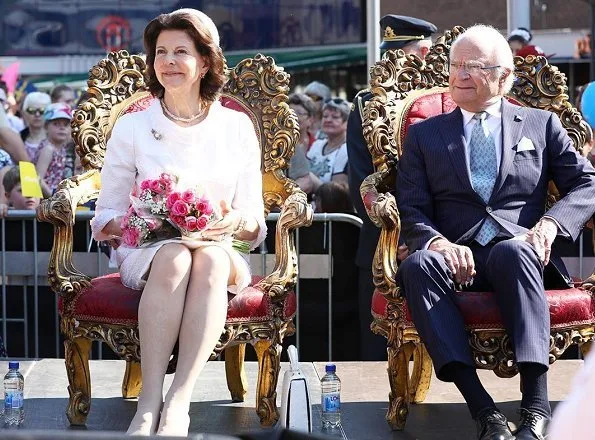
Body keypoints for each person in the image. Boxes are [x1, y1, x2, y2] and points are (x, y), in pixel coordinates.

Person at [395, 24, 595, 440]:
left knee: (514, 252)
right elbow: (412, 209)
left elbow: (587, 183)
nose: (459, 75)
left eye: (472, 66)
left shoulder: (541, 125)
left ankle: (536, 407)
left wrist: (550, 225)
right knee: (417, 265)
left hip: (518, 253)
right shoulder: (425, 135)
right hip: (454, 255)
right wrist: (437, 242)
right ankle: (484, 410)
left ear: (504, 76)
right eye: (454, 65)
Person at [90, 9, 266, 437]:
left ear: (205, 62)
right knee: (173, 257)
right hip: (150, 249)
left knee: (205, 260)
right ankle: (148, 401)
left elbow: (254, 221)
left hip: (219, 248)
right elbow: (105, 213)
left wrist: (227, 221)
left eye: (181, 52)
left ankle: (179, 401)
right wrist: (145, 219)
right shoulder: (132, 126)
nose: (168, 61)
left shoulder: (236, 126)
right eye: (161, 52)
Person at [346, 14, 437, 361]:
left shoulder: (445, 99)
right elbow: (361, 178)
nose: (393, 62)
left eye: (404, 54)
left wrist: (424, 235)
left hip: (436, 235)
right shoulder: (365, 102)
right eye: (390, 54)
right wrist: (393, 234)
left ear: (425, 54)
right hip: (381, 238)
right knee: (378, 343)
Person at [306, 98, 350, 192]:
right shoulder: (317, 144)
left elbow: (338, 193)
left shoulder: (347, 150)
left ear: (347, 123)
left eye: (335, 117)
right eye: (325, 116)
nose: (328, 120)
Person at [34, 102, 75, 197]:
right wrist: (53, 198)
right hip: (45, 200)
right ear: (46, 127)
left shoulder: (62, 148)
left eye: (66, 124)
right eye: (56, 124)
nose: (62, 128)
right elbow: (38, 178)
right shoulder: (48, 149)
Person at [287, 93, 316, 194]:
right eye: (290, 112)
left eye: (299, 113)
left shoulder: (318, 146)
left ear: (310, 119)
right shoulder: (282, 144)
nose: (293, 117)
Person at [20, 91, 51, 160]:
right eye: (32, 110)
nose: (37, 114)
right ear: (24, 113)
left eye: (42, 111)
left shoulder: (55, 137)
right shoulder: (18, 138)